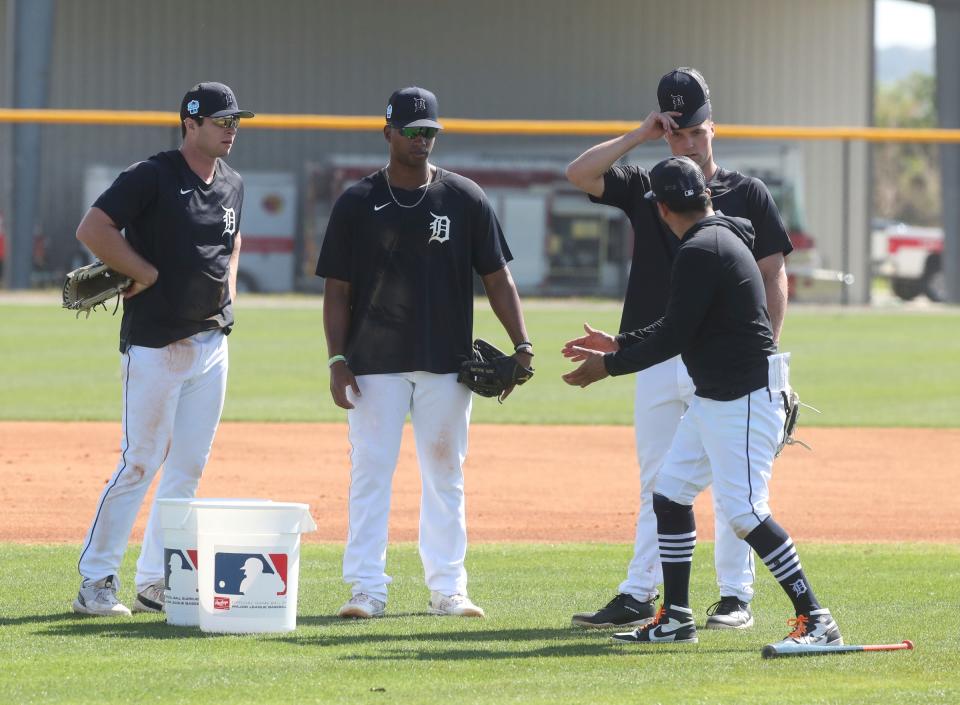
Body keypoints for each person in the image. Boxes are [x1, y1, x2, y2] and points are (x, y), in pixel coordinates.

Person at [563, 155, 842, 648]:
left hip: (746, 398)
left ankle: (816, 619)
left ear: (665, 208)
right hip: (717, 396)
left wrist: (608, 366)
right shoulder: (719, 236)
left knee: (746, 513)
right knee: (670, 496)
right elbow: (678, 323)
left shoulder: (700, 250)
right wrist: (621, 344)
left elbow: (673, 335)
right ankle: (675, 618)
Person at [564, 67, 793, 631]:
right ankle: (643, 593)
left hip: (721, 359)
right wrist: (639, 135)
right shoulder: (652, 185)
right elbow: (579, 173)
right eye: (675, 133)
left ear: (712, 127)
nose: (687, 143)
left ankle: (735, 597)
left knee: (735, 483)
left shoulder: (747, 193)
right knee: (660, 480)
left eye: (695, 131)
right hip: (656, 353)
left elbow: (774, 276)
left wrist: (764, 351)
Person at [316, 86, 533, 619]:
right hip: (373, 364)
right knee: (370, 472)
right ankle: (366, 588)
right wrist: (336, 359)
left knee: (445, 474)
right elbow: (336, 289)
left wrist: (522, 343)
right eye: (413, 131)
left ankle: (448, 589)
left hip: (446, 363)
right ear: (388, 131)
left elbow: (498, 277)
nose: (422, 140)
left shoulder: (464, 198)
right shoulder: (356, 201)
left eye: (430, 131)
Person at [72, 82, 253, 616]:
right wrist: (143, 270)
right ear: (189, 124)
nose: (231, 128)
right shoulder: (151, 174)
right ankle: (96, 581)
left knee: (188, 468)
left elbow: (233, 240)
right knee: (141, 462)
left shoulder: (234, 184)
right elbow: (94, 226)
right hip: (156, 343)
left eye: (235, 121)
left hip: (211, 343)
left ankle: (157, 579)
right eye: (221, 121)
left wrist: (229, 291)